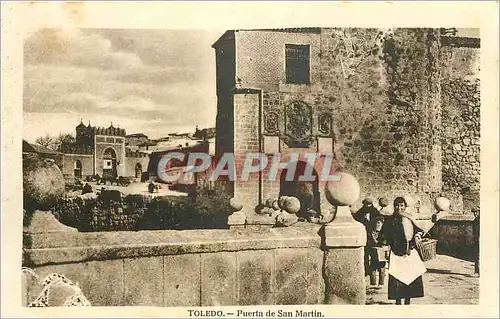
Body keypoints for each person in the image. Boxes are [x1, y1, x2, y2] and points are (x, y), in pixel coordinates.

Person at [379, 197, 425, 305]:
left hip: (410, 253)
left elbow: (419, 230)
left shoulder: (410, 218)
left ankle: (408, 301)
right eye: (397, 205)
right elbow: (383, 236)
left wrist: (417, 236)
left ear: (405, 206)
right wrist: (386, 247)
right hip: (396, 254)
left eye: (401, 205)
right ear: (394, 207)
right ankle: (398, 302)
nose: (399, 208)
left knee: (410, 277)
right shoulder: (390, 220)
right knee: (397, 278)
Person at [354, 196, 381, 276]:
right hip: (364, 236)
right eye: (367, 204)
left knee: (374, 254)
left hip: (373, 237)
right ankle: (366, 270)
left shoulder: (375, 212)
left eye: (370, 204)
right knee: (365, 255)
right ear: (364, 204)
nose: (368, 206)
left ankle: (373, 271)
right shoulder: (360, 213)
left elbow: (379, 221)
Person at [367, 215, 388, 288]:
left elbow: (384, 242)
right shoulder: (372, 232)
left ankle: (381, 283)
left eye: (379, 223)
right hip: (373, 252)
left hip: (382, 252)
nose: (377, 224)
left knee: (382, 268)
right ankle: (373, 283)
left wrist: (376, 241)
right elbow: (369, 242)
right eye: (376, 223)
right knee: (373, 267)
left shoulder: (384, 233)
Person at [472, 207, 480, 276]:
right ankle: (477, 271)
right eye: (474, 212)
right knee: (476, 256)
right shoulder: (475, 220)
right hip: (476, 240)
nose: (475, 213)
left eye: (476, 212)